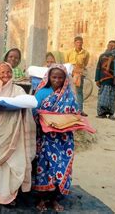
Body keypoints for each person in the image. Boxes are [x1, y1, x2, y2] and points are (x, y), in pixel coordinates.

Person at [0, 62, 36, 205]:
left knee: (10, 165)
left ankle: (8, 197)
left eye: (8, 72)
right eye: (2, 72)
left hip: (12, 133)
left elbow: (26, 107)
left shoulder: (19, 90)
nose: (5, 75)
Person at [33, 64, 78, 212]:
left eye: (60, 77)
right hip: (45, 138)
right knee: (44, 167)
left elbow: (74, 112)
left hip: (64, 139)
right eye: (54, 77)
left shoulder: (69, 94)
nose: (57, 80)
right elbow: (33, 112)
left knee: (61, 167)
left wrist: (78, 116)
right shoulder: (41, 93)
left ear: (65, 78)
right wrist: (43, 118)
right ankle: (41, 199)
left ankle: (54, 199)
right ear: (48, 77)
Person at [95, 40, 115, 120]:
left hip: (113, 80)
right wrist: (97, 79)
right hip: (103, 79)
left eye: (113, 45)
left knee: (111, 97)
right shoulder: (102, 56)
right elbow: (98, 67)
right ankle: (101, 113)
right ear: (107, 45)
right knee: (102, 97)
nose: (110, 46)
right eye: (109, 44)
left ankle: (111, 114)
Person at [65, 36, 90, 116]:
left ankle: (80, 110)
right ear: (74, 43)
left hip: (79, 73)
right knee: (68, 90)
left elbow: (85, 63)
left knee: (79, 92)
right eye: (77, 42)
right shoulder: (68, 52)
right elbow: (66, 63)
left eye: (80, 42)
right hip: (70, 72)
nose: (79, 44)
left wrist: (79, 71)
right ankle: (68, 109)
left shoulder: (86, 53)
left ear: (82, 43)